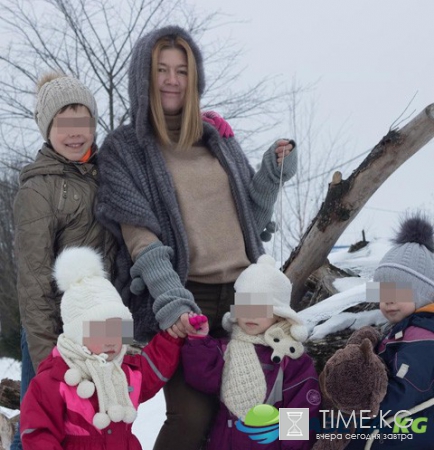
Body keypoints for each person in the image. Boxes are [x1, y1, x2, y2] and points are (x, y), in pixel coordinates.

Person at [96, 25, 298, 450]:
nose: (172, 80)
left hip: (249, 295)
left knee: (259, 413)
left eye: (182, 71)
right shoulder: (123, 150)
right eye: (162, 70)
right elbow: (141, 241)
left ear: (195, 79)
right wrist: (173, 304)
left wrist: (272, 171)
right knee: (190, 418)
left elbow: (253, 217)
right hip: (191, 299)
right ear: (143, 78)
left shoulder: (217, 139)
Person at [11, 73, 117, 450]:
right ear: (47, 129)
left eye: (83, 122)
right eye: (63, 124)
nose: (76, 134)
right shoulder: (38, 189)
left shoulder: (108, 172)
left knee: (94, 425)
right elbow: (35, 283)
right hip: (52, 330)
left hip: (102, 328)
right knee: (41, 423)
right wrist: (45, 363)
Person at [20, 246, 182, 450]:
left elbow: (154, 365)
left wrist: (173, 336)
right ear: (77, 335)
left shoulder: (126, 372)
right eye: (100, 331)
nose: (111, 340)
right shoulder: (55, 379)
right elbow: (38, 433)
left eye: (116, 330)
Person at [182, 255, 321, 449]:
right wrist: (198, 342)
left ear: (278, 312)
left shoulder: (291, 359)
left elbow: (299, 410)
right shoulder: (224, 349)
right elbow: (202, 379)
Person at [346, 214, 434, 450]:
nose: (389, 301)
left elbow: (401, 396)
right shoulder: (404, 331)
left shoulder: (424, 337)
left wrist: (352, 424)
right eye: (383, 294)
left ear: (424, 292)